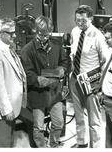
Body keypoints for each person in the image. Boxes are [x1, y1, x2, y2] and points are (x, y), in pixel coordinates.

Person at [20, 15, 68, 148]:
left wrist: (62, 70)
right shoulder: (27, 50)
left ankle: (53, 145)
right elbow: (27, 74)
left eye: (47, 34)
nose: (44, 37)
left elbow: (64, 62)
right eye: (41, 34)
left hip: (54, 92)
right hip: (37, 94)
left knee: (59, 123)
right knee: (38, 127)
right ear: (35, 30)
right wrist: (38, 80)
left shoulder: (57, 45)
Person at [69, 5, 110, 148]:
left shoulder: (98, 35)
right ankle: (81, 142)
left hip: (90, 81)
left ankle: (96, 147)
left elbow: (105, 61)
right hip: (75, 78)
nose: (80, 23)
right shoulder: (75, 32)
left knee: (94, 119)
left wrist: (100, 84)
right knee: (79, 116)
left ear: (91, 19)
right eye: (77, 20)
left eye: (83, 20)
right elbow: (73, 53)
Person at [0, 18, 27, 147]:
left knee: (9, 140)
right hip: (3, 110)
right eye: (10, 33)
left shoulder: (6, 47)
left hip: (12, 105)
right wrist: (6, 110)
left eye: (14, 32)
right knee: (3, 143)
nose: (14, 35)